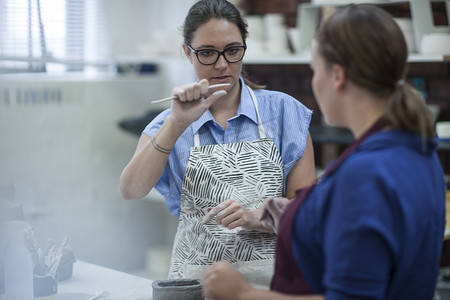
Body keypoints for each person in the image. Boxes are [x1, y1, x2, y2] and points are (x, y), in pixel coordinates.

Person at [202, 4, 446, 300]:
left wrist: (242, 293)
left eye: (314, 70)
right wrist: (302, 216)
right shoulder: (419, 150)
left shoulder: (365, 174)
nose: (313, 82)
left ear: (338, 76)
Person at [119, 0, 315, 287]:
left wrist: (254, 218)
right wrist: (177, 124)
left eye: (233, 51)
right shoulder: (167, 123)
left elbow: (306, 217)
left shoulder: (287, 114)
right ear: (187, 52)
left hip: (273, 286)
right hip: (194, 287)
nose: (222, 64)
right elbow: (131, 190)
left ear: (244, 47)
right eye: (207, 53)